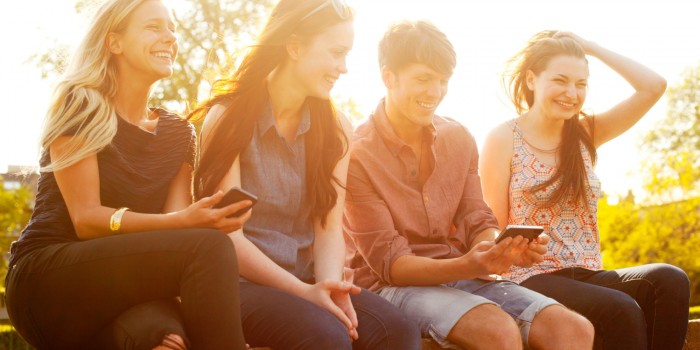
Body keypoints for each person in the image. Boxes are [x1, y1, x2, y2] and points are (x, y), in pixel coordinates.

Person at [4, 1, 250, 349]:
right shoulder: (82, 105)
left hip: (122, 285)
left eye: (172, 28)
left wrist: (205, 217)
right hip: (49, 281)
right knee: (209, 248)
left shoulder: (180, 133)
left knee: (166, 340)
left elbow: (175, 224)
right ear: (114, 42)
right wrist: (186, 224)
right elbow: (86, 220)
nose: (170, 37)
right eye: (153, 27)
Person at [343, 20, 594, 350]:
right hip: (390, 287)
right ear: (389, 77)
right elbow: (392, 265)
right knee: (497, 331)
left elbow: (478, 218)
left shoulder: (458, 138)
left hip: (461, 275)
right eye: (423, 79)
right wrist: (470, 263)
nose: (435, 92)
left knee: (573, 329)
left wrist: (501, 247)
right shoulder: (357, 153)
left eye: (442, 81)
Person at [189, 0, 421, 349]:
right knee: (326, 338)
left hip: (308, 281)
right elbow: (228, 238)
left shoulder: (336, 128)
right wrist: (307, 294)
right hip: (237, 285)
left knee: (398, 331)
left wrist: (331, 290)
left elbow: (328, 227)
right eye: (336, 53)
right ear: (294, 46)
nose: (343, 68)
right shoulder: (228, 117)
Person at [480, 30, 690, 350]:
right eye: (561, 80)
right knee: (620, 309)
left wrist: (591, 48)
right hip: (531, 278)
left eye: (581, 84)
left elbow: (653, 86)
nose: (572, 93)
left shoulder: (586, 132)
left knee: (670, 279)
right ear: (532, 79)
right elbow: (490, 223)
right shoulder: (503, 138)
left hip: (589, 273)